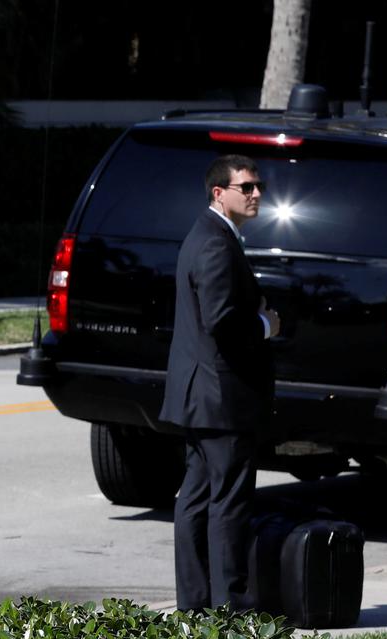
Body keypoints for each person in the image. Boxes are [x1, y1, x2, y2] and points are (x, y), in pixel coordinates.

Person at [160, 153, 281, 612]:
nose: (256, 194)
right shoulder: (215, 243)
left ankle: (195, 606)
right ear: (219, 193)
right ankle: (230, 608)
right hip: (221, 398)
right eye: (245, 187)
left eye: (258, 186)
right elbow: (222, 322)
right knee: (228, 502)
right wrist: (266, 325)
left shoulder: (208, 235)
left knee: (196, 497)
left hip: (202, 396)